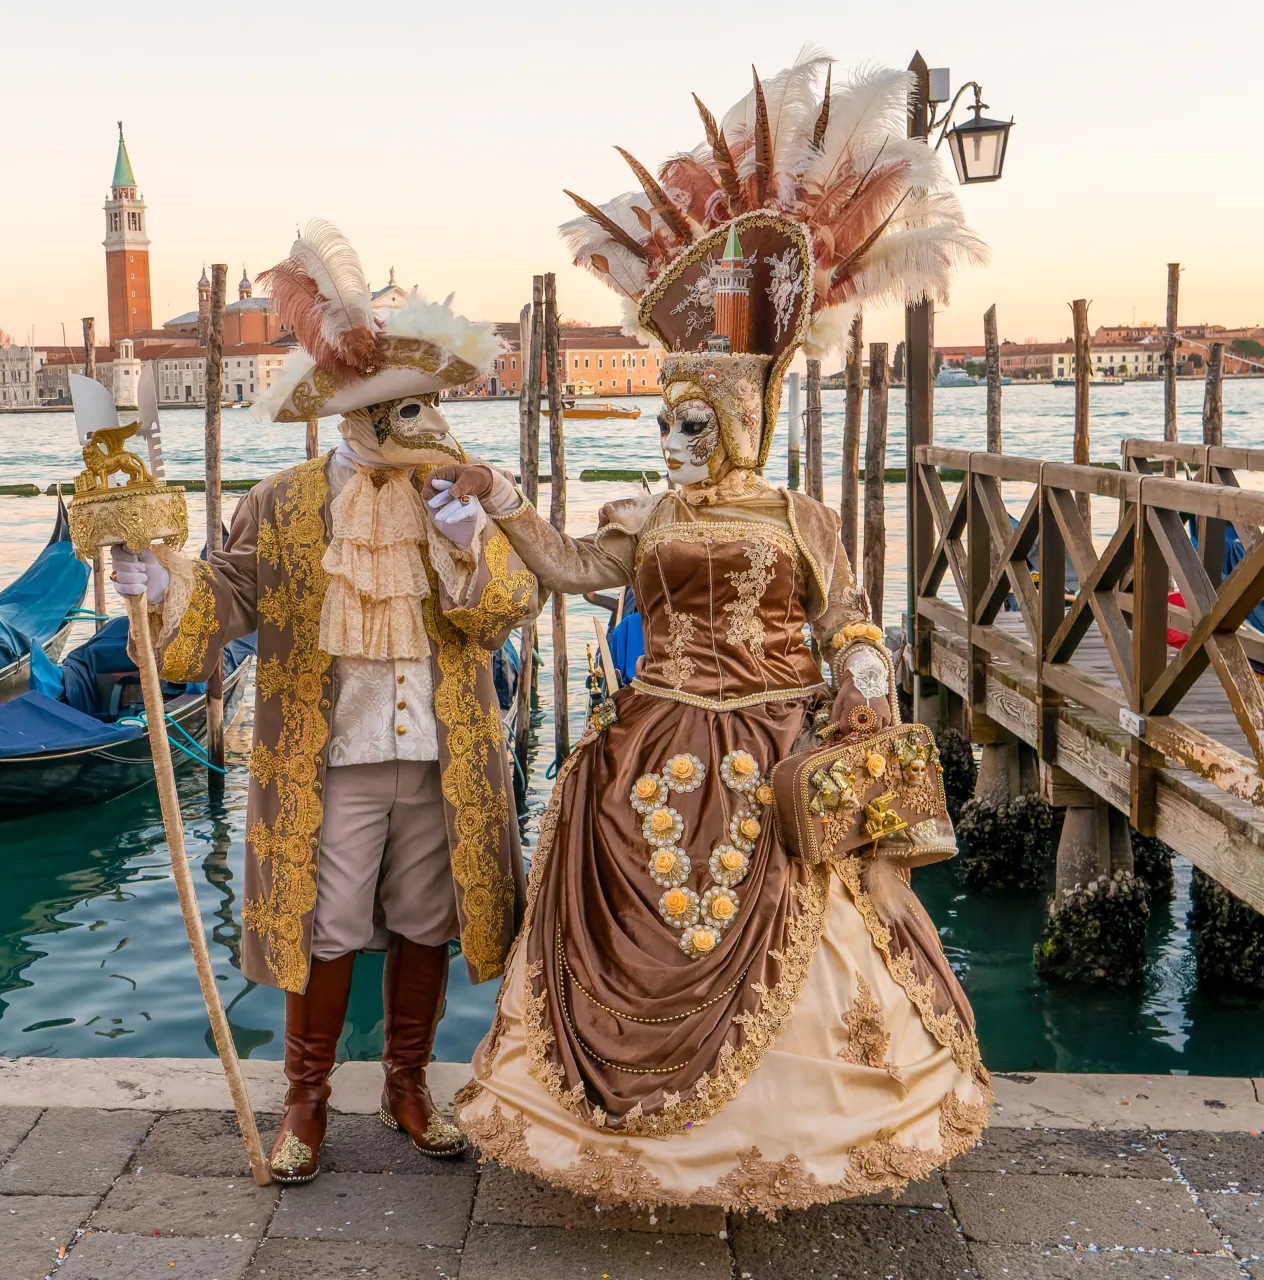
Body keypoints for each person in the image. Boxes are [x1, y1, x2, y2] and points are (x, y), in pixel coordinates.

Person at [430, 54, 991, 1213]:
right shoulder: (648, 516)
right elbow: (568, 569)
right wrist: (500, 497)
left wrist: (865, 668)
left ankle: (793, 1140)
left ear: (736, 424)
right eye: (665, 423)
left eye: (694, 425)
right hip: (656, 738)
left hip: (779, 747)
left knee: (804, 920)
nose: (673, 442)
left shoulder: (799, 516)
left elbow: (846, 614)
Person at [110, 221, 536, 1184]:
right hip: (329, 758)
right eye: (404, 411)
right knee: (324, 923)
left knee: (428, 919)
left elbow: (508, 611)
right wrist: (163, 582)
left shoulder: (456, 497)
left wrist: (471, 546)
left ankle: (408, 1086)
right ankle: (305, 1099)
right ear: (355, 415)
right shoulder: (283, 503)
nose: (424, 427)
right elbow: (227, 597)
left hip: (444, 754)